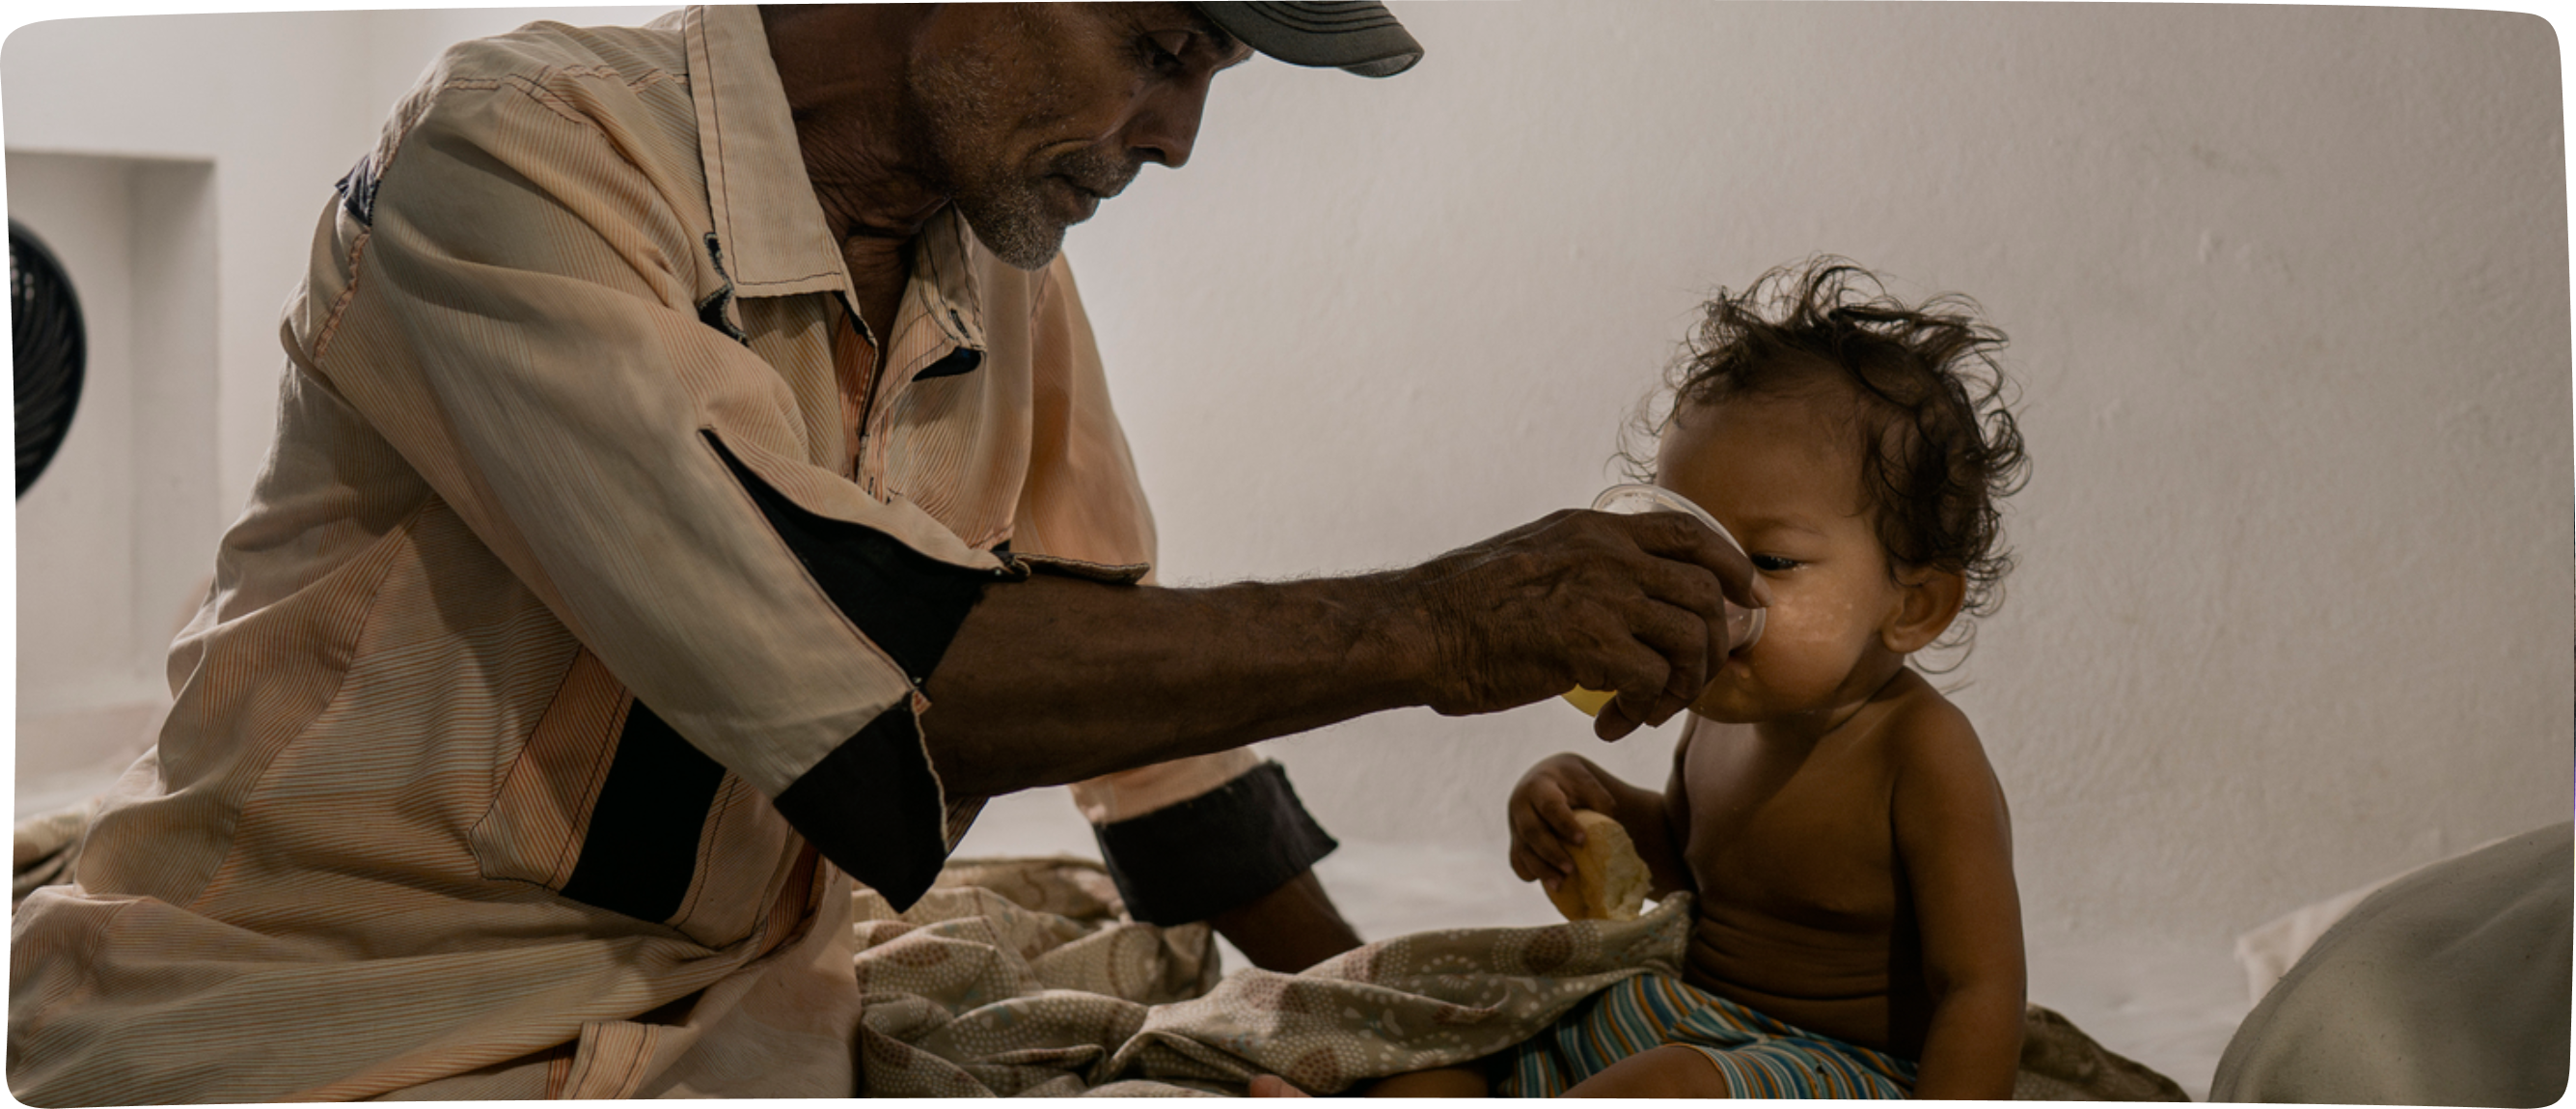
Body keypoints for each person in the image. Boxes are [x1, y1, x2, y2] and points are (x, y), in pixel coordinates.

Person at [5, 4, 1766, 1103]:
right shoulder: (521, 153)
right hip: (308, 1023)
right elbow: (874, 665)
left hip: (737, 1029)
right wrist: (1448, 624)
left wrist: (1361, 1019)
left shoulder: (997, 273)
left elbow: (1138, 707)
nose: (1177, 139)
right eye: (1159, 47)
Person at [1337, 258, 2033, 1099]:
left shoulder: (1921, 752)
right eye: (1685, 544)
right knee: (1438, 1058)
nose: (1715, 592)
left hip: (1834, 1066)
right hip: (1685, 1019)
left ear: (1913, 606)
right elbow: (1688, 860)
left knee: (1667, 1083)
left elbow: (1980, 988)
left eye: (1771, 559)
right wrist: (1586, 798)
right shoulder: (1720, 708)